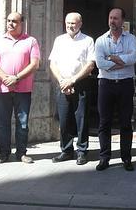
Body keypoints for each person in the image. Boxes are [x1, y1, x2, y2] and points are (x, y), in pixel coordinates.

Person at [0, 12, 40, 164]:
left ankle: (21, 153)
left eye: (14, 21)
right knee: (3, 123)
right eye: (9, 21)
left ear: (21, 23)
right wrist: (5, 78)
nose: (11, 23)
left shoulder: (31, 41)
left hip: (23, 89)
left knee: (22, 123)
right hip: (2, 89)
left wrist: (16, 78)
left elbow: (35, 64)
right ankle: (3, 153)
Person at [94, 7, 136, 171]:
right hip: (106, 84)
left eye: (116, 18)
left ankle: (126, 158)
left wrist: (111, 58)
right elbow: (100, 64)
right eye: (111, 18)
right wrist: (120, 62)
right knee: (104, 122)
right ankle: (104, 158)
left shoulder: (131, 39)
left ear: (123, 21)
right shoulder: (100, 40)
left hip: (125, 84)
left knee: (126, 122)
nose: (112, 21)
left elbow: (132, 59)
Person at [49, 12, 95, 165]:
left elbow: (90, 65)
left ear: (80, 24)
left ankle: (82, 151)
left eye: (73, 23)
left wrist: (73, 80)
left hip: (80, 84)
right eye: (68, 23)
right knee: (64, 119)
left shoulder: (88, 40)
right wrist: (63, 81)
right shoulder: (59, 40)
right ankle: (66, 150)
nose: (70, 26)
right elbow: (52, 63)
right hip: (62, 83)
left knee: (81, 119)